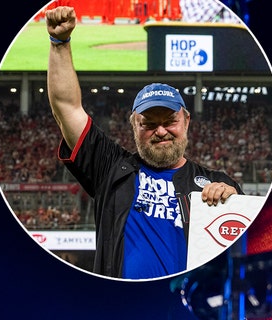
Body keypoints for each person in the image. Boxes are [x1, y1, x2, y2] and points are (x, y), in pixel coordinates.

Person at [45, 6, 244, 280]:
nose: (160, 131)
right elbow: (67, 108)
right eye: (149, 123)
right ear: (133, 126)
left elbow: (243, 247)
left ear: (187, 121)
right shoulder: (110, 168)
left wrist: (231, 204)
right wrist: (59, 43)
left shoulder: (216, 183)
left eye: (170, 121)